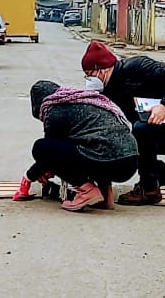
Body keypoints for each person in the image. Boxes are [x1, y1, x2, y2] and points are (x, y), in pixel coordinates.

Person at [81, 40, 165, 205]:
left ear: (102, 69)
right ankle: (159, 174)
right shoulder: (108, 90)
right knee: (126, 138)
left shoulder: (136, 66)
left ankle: (149, 190)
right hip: (153, 130)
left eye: (90, 74)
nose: (89, 79)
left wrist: (164, 106)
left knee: (140, 129)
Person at [14, 80, 139, 212]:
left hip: (108, 159)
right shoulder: (86, 100)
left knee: (41, 147)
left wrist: (28, 178)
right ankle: (105, 197)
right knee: (92, 146)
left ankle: (87, 191)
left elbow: (50, 155)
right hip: (129, 162)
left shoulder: (54, 110)